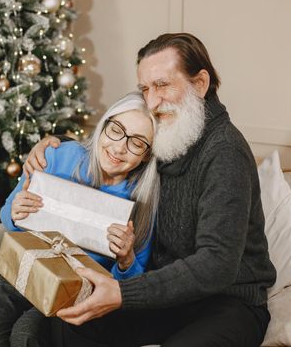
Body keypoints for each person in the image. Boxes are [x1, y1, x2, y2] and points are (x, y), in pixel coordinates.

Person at [24, 33, 277, 347]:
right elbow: (115, 141)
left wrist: (122, 293)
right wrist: (52, 144)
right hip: (167, 296)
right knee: (71, 323)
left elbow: (217, 264)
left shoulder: (225, 152)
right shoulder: (166, 133)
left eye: (162, 85)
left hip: (228, 303)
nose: (152, 102)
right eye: (145, 88)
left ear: (200, 84)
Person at [0, 92, 160, 347]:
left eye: (136, 143)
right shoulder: (60, 155)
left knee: (26, 335)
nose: (119, 147)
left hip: (70, 293)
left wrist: (126, 260)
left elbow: (129, 284)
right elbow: (8, 214)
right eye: (116, 130)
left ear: (146, 155)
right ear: (103, 127)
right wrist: (16, 212)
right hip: (22, 272)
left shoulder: (142, 203)